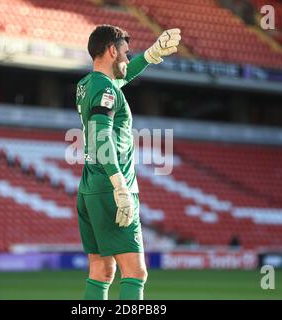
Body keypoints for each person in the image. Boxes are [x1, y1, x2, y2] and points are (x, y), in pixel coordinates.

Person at [75, 25, 181, 300]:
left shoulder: (88, 85)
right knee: (135, 273)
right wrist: (120, 186)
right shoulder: (106, 89)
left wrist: (151, 54)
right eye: (125, 52)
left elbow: (120, 77)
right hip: (112, 187)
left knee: (101, 271)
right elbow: (100, 137)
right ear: (112, 50)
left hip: (90, 186)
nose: (127, 57)